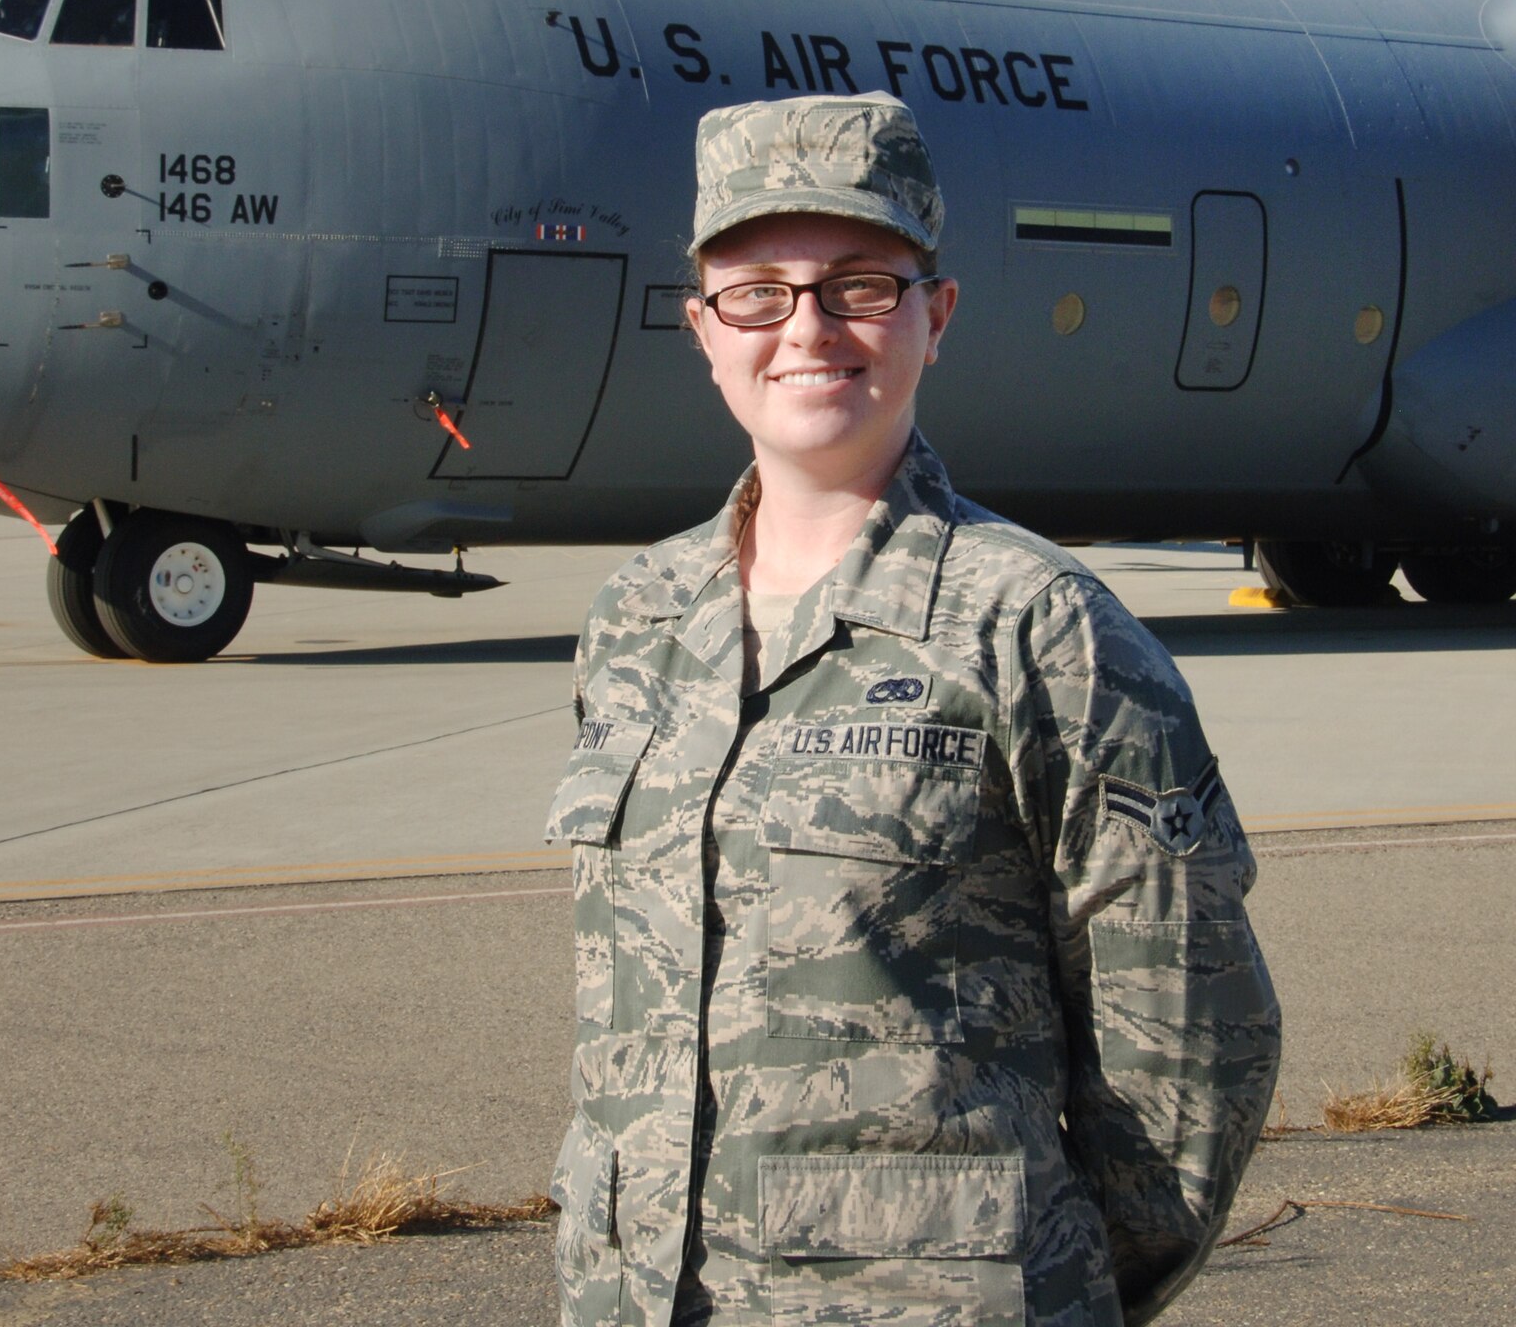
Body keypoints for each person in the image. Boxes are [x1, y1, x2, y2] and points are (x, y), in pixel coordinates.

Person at [545, 94, 1280, 1327]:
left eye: (860, 286)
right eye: (757, 291)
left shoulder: (1038, 626)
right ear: (702, 329)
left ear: (933, 317)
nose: (807, 329)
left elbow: (1189, 1042)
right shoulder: (636, 619)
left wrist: (1041, 1280)